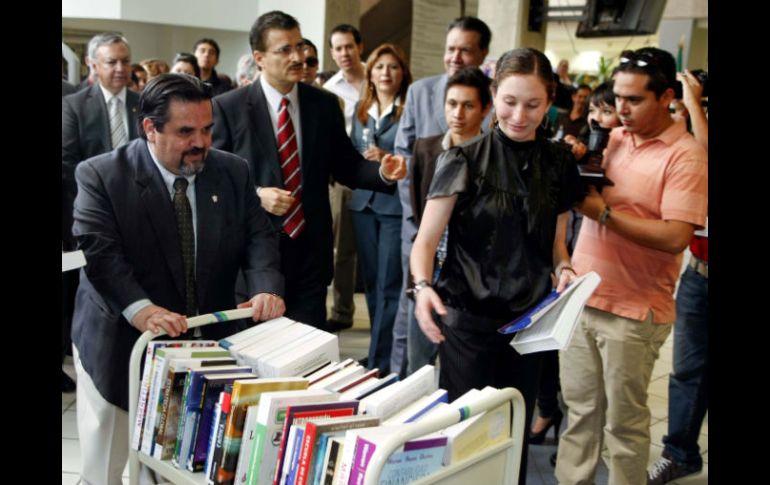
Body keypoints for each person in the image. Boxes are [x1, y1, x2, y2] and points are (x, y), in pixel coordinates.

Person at [70, 73, 285, 485]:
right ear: (150, 128)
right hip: (119, 342)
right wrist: (142, 309)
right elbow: (102, 258)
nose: (201, 142)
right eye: (186, 131)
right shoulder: (100, 176)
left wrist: (265, 287)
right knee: (107, 468)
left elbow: (259, 237)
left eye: (207, 129)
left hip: (198, 344)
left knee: (179, 464)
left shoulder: (232, 171)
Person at [411, 48, 586, 485]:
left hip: (528, 325)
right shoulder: (463, 159)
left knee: (512, 438)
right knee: (466, 440)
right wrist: (422, 286)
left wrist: (564, 270)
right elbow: (426, 241)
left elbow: (557, 245)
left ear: (550, 102)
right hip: (468, 320)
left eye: (533, 104)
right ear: (493, 96)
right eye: (509, 102)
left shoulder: (560, 162)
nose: (520, 115)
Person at [554, 47, 708, 485]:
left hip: (634, 310)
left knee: (623, 427)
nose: (620, 108)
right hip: (584, 296)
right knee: (580, 415)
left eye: (634, 99)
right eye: (617, 97)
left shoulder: (686, 155)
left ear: (666, 98)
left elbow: (677, 235)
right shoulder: (614, 138)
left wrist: (603, 214)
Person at [212, 10, 407, 329]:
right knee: (256, 358)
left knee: (308, 361)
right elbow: (216, 180)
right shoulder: (228, 108)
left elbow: (348, 166)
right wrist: (257, 194)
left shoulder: (323, 105)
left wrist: (383, 172)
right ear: (259, 57)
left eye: (299, 46)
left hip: (310, 255)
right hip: (254, 260)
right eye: (284, 50)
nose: (297, 56)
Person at [393, 15, 493, 375]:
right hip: (427, 258)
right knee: (415, 355)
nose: (457, 113)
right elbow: (411, 188)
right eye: (450, 49)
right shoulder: (426, 149)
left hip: (470, 275)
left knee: (462, 366)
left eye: (465, 50)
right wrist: (417, 238)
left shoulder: (492, 154)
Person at [62, 34, 141, 394]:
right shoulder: (75, 106)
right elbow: (67, 167)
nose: (121, 68)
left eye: (125, 60)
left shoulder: (145, 106)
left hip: (141, 218)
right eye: (112, 62)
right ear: (93, 65)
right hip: (88, 220)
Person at [647, 68, 709, 485]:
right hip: (700, 274)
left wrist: (693, 103)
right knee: (687, 370)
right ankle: (680, 453)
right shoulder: (692, 135)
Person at [349, 43, 412, 374]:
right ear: (370, 73)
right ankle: (377, 350)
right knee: (372, 286)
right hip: (362, 204)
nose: (386, 73)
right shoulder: (361, 111)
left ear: (403, 73)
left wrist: (384, 158)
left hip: (392, 207)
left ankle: (382, 361)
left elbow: (412, 155)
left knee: (389, 286)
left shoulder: (408, 110)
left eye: (393, 67)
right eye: (380, 67)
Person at [323, 24, 367, 332]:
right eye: (338, 48)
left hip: (373, 171)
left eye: (349, 46)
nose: (344, 53)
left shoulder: (375, 79)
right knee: (342, 247)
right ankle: (342, 311)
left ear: (359, 47)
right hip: (341, 176)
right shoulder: (329, 90)